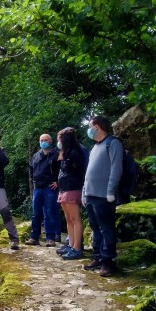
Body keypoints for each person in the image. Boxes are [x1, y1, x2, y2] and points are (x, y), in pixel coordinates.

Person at [82, 116, 123, 277]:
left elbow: (116, 169)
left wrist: (111, 192)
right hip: (91, 195)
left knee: (106, 228)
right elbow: (88, 173)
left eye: (91, 126)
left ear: (97, 126)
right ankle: (98, 257)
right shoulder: (94, 147)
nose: (89, 129)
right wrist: (85, 192)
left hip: (104, 196)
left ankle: (108, 261)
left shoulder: (113, 143)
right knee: (94, 227)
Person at [25, 133, 60, 247]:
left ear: (50, 141)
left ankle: (50, 238)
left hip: (50, 187)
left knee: (50, 212)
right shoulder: (36, 156)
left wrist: (58, 182)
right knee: (36, 213)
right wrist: (33, 181)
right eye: (41, 140)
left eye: (45, 140)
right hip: (38, 188)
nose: (43, 142)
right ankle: (34, 237)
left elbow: (63, 169)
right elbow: (31, 170)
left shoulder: (56, 154)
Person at [55, 127, 86, 260]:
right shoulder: (66, 153)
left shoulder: (75, 153)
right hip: (64, 189)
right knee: (68, 218)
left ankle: (77, 248)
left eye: (59, 139)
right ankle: (71, 244)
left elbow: (80, 171)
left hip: (72, 188)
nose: (58, 142)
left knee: (75, 218)